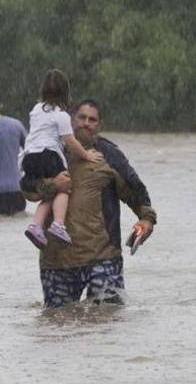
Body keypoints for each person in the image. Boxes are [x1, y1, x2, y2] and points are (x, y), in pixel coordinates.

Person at [24, 99, 157, 309]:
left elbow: (134, 188)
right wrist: (52, 184)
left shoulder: (109, 153)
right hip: (57, 261)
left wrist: (147, 219)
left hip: (103, 257)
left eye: (92, 119)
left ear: (99, 125)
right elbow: (27, 189)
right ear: (70, 120)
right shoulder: (49, 150)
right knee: (58, 328)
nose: (86, 123)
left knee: (107, 326)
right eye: (82, 117)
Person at [20, 69, 104, 248]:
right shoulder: (61, 115)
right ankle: (58, 224)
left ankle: (36, 225)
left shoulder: (35, 110)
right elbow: (70, 141)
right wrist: (86, 155)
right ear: (66, 93)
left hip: (29, 156)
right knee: (64, 187)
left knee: (50, 192)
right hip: (48, 154)